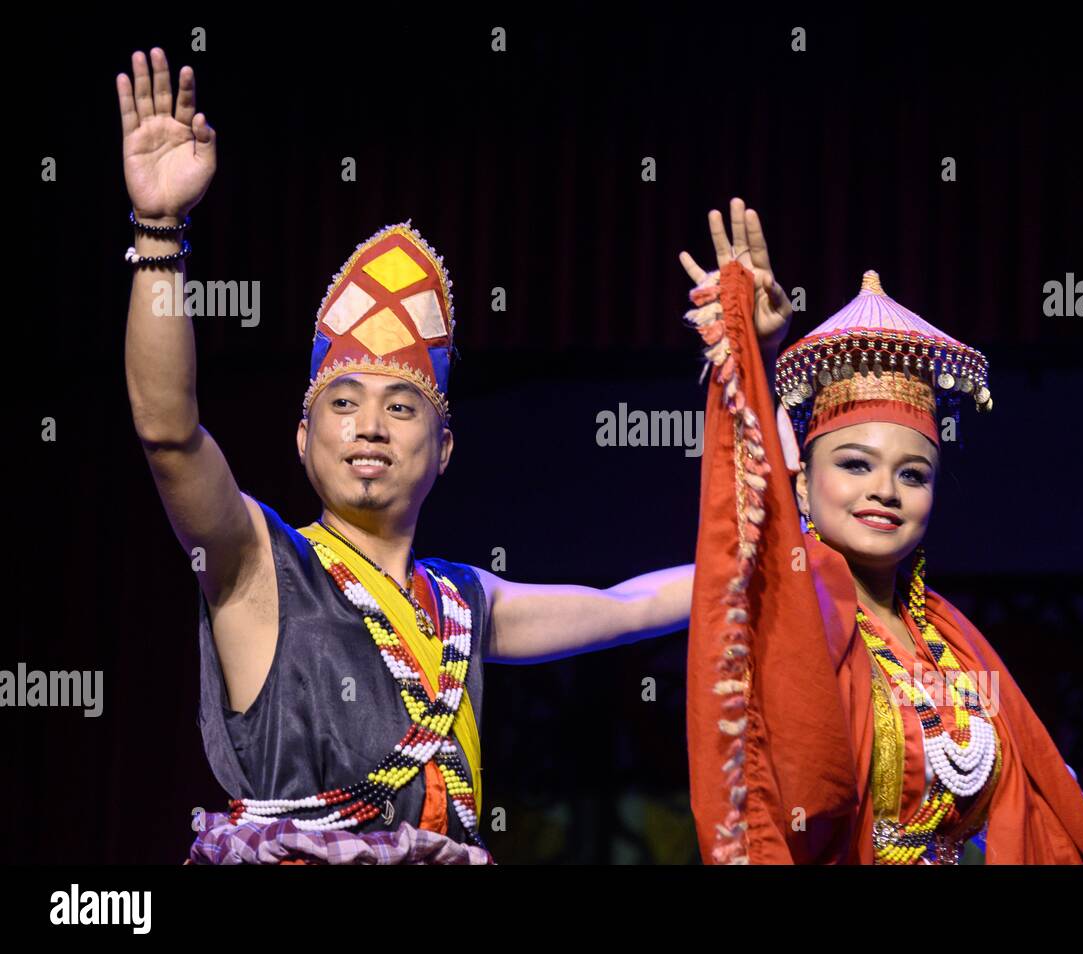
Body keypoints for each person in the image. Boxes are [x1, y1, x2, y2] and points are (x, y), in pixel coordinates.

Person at [118, 47, 692, 865]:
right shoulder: (255, 564)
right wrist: (159, 232)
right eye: (342, 404)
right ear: (302, 439)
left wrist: (792, 553)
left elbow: (631, 604)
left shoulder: (461, 603)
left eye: (401, 406)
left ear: (445, 447)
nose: (370, 426)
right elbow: (168, 432)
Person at [678, 198, 1083, 865]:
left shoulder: (954, 642)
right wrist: (756, 355)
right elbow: (746, 541)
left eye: (914, 474)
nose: (885, 490)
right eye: (854, 464)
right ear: (801, 476)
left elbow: (1062, 800)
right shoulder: (800, 610)